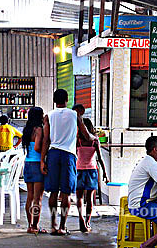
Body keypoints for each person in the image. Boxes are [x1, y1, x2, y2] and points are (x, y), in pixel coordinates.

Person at [41, 89, 96, 236]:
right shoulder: (75, 115)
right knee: (66, 193)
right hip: (68, 156)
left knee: (53, 191)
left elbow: (46, 140)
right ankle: (62, 227)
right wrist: (94, 138)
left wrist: (42, 160)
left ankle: (53, 225)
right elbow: (86, 134)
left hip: (53, 154)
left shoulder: (49, 116)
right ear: (67, 99)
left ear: (54, 100)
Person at [75, 117, 109, 232]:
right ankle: (87, 222)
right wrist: (105, 173)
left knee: (79, 197)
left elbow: (74, 155)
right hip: (91, 170)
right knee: (89, 198)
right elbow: (100, 158)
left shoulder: (78, 140)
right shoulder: (95, 140)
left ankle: (80, 219)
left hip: (78, 170)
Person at [22, 107, 47, 234]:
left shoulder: (27, 130)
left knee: (30, 197)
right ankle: (35, 226)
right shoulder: (39, 129)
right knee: (38, 199)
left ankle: (30, 225)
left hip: (27, 164)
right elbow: (37, 147)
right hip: (37, 164)